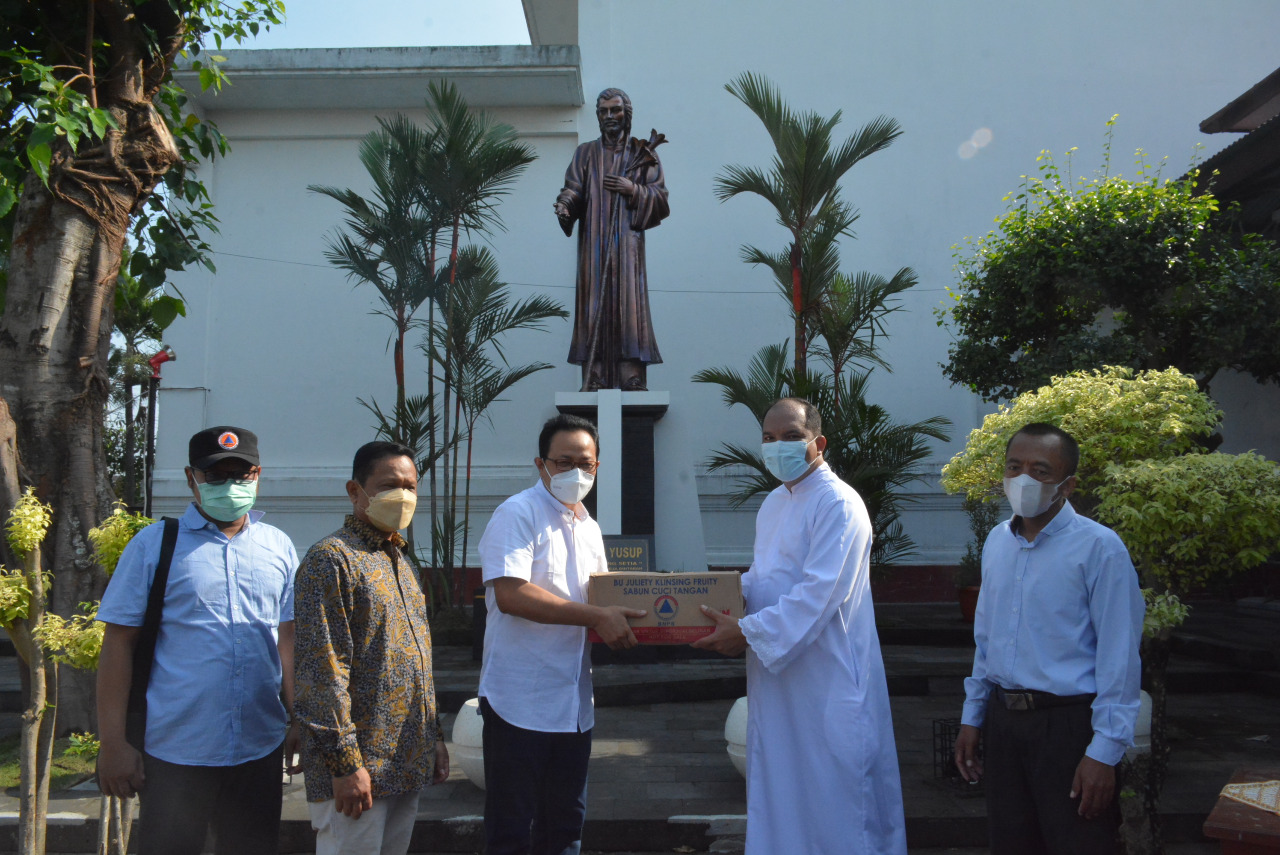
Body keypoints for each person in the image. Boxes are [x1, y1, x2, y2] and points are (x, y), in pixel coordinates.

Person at [693, 398, 908, 855]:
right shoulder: (775, 502)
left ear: (819, 442)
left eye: (791, 437)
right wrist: (718, 597)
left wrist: (747, 632)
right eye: (769, 439)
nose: (777, 447)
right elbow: (764, 576)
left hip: (827, 680)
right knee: (783, 792)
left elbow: (820, 594)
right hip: (779, 679)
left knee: (837, 800)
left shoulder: (839, 504)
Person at [97, 425, 298, 855]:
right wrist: (113, 742)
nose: (230, 486)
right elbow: (118, 644)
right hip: (177, 752)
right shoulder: (154, 546)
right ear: (192, 478)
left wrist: (299, 715)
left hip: (259, 746)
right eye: (215, 477)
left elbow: (288, 639)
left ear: (257, 474)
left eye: (240, 476)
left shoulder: (278, 547)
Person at [953, 422, 1145, 855]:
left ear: (1067, 484)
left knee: (1077, 843)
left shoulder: (1100, 549)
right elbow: (987, 640)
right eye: (1014, 466)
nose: (1024, 479)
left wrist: (1105, 751)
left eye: (1040, 470)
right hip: (1004, 724)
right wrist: (973, 716)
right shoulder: (996, 543)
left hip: (1067, 728)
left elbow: (1120, 657)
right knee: (1011, 843)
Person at [476, 413, 646, 855]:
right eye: (563, 461)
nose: (575, 473)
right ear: (541, 464)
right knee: (510, 832)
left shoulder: (589, 528)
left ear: (597, 468)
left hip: (572, 705)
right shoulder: (517, 513)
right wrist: (596, 616)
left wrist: (654, 618)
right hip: (519, 702)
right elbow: (512, 595)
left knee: (566, 829)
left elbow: (603, 598)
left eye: (584, 463)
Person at [293, 441, 449, 855]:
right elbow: (322, 672)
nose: (403, 496)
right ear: (355, 491)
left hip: (405, 761)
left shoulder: (400, 559)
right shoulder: (332, 560)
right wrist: (345, 765)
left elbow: (417, 659)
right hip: (356, 771)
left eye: (411, 486)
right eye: (388, 485)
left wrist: (433, 737)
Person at [555, 87, 669, 392]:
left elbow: (660, 198)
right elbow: (573, 188)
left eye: (615, 110)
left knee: (629, 308)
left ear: (626, 114)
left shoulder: (642, 153)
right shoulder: (586, 153)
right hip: (593, 246)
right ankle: (595, 375)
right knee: (594, 306)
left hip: (628, 248)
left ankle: (631, 374)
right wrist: (566, 206)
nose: (610, 117)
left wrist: (631, 189)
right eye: (604, 111)